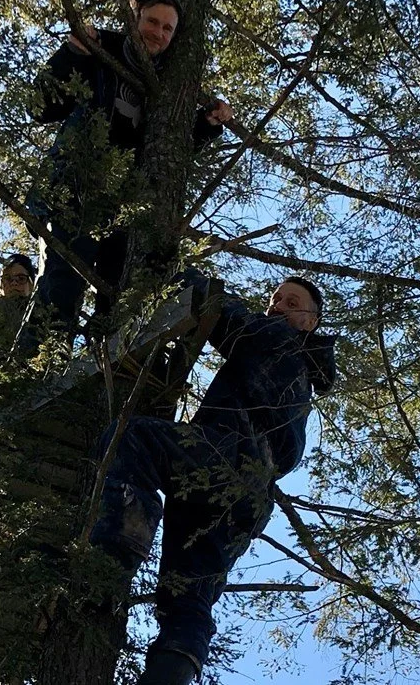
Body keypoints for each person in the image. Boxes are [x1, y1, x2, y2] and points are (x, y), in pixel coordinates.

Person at [89, 274, 336, 685]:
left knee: (133, 438)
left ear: (310, 322)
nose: (278, 307)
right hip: (250, 500)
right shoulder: (304, 375)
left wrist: (194, 279)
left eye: (293, 303)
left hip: (227, 456)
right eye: (275, 299)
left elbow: (228, 317)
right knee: (189, 596)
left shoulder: (277, 338)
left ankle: (108, 562)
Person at [19, 0, 233, 352]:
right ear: (134, 18)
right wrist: (72, 53)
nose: (159, 34)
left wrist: (207, 125)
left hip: (125, 206)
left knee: (119, 294)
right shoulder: (101, 51)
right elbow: (41, 107)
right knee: (64, 280)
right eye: (152, 22)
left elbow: (167, 151)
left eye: (168, 29)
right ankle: (31, 375)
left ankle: (95, 385)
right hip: (74, 190)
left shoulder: (169, 82)